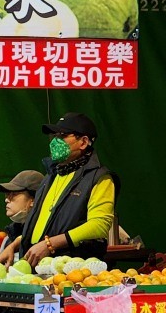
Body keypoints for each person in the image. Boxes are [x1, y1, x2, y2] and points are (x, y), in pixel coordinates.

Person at [19, 112, 117, 268]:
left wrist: (50, 244)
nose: (55, 141)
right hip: (41, 266)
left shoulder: (99, 178)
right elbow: (42, 223)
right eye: (54, 136)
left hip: (73, 269)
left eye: (62, 135)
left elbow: (99, 225)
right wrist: (15, 244)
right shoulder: (52, 175)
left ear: (83, 142)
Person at [0, 170, 44, 265]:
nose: (6, 199)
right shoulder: (9, 238)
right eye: (7, 194)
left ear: (33, 200)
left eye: (14, 194)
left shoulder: (44, 237)